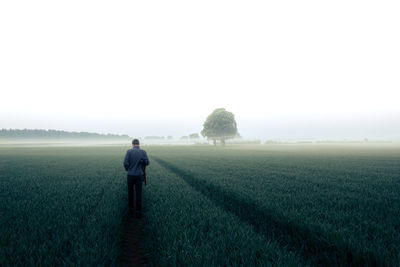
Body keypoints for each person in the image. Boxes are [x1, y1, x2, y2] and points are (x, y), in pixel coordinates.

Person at [123, 139, 149, 218]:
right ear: (139, 144)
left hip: (130, 175)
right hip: (139, 175)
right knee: (138, 193)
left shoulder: (129, 151)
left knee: (130, 192)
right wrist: (142, 161)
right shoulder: (143, 152)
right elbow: (147, 162)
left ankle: (130, 209)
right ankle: (138, 211)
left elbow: (125, 163)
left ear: (132, 144)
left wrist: (128, 169)